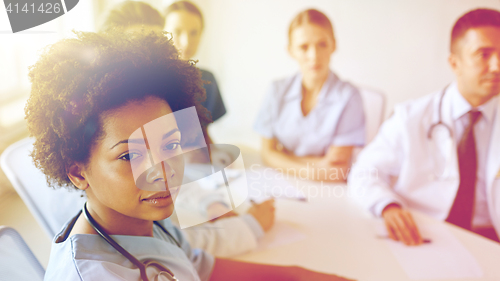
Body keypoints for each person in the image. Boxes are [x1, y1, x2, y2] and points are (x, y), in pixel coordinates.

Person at [29, 30, 381, 281]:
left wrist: (296, 273)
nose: (163, 171)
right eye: (129, 156)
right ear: (78, 172)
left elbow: (193, 262)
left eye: (170, 144)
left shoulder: (134, 220)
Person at [99, 0, 274, 258]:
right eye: (138, 51)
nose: (152, 61)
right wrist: (248, 225)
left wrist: (212, 203)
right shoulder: (109, 130)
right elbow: (166, 248)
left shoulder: (155, 100)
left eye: (157, 48)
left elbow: (178, 164)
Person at [348, 8, 500, 245]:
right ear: (454, 63)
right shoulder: (410, 117)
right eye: (484, 54)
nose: (496, 66)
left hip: (490, 240)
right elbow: (363, 172)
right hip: (425, 233)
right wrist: (388, 206)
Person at [254, 9, 365, 182]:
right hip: (282, 182)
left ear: (333, 45)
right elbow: (266, 153)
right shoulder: (276, 90)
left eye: (322, 44)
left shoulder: (349, 97)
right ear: (291, 51)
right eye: (303, 47)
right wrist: (316, 167)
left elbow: (336, 170)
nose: (314, 56)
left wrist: (283, 156)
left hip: (330, 191)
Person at [164, 1, 226, 133]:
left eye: (194, 33)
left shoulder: (207, 81)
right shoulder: (146, 81)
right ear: (161, 31)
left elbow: (203, 134)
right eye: (177, 31)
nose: (186, 42)